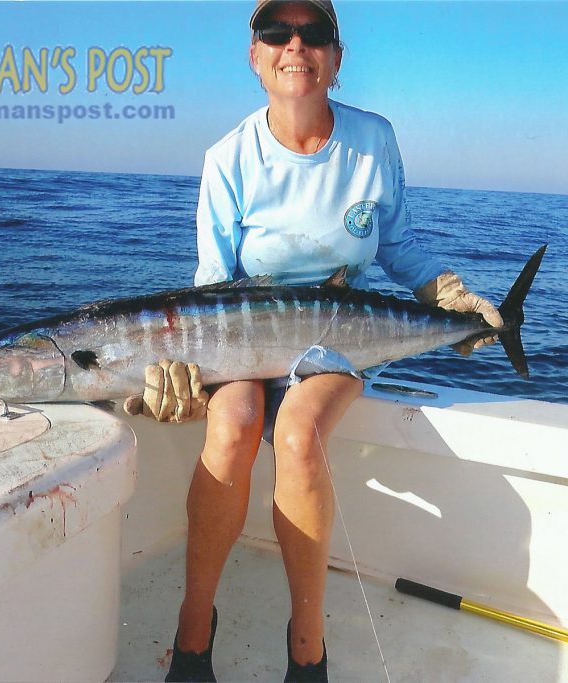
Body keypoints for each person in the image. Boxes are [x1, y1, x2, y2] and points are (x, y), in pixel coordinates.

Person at [124, 1, 502, 680]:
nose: (294, 44)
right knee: (233, 424)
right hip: (239, 334)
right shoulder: (228, 158)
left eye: (314, 32)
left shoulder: (373, 140)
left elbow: (396, 244)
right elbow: (211, 283)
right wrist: (180, 368)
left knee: (297, 432)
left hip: (337, 337)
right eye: (277, 31)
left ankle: (307, 641)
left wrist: (446, 294)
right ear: (253, 53)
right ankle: (193, 626)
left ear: (336, 54)